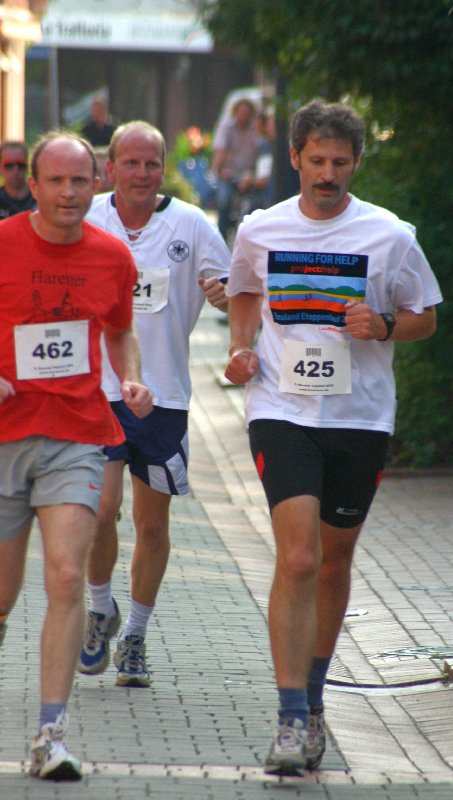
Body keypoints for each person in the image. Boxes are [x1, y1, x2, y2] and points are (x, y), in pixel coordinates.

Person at [224, 100, 443, 777]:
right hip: (281, 409)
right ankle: (290, 716)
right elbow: (242, 291)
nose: (326, 174)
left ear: (355, 164)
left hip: (359, 417)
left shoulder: (390, 235)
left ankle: (314, 700)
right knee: (297, 558)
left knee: (332, 562)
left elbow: (425, 316)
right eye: (316, 160)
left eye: (339, 162)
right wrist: (239, 348)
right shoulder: (261, 228)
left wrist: (383, 326)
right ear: (294, 157)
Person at [0, 131, 153, 781]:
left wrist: (132, 377)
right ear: (33, 186)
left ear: (98, 184)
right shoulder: (3, 243)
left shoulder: (112, 257)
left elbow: (120, 331)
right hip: (4, 436)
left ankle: (50, 737)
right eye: (56, 181)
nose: (69, 192)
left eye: (80, 181)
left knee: (66, 577)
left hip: (77, 434)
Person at [77, 121, 230, 688]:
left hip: (163, 396)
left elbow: (236, 289)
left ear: (163, 168)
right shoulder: (88, 217)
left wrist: (223, 294)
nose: (141, 174)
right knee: (100, 510)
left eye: (151, 164)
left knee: (152, 523)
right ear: (109, 168)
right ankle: (100, 610)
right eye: (131, 163)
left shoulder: (190, 224)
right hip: (98, 391)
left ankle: (135, 636)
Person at [211, 97, 259, 241]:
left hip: (248, 175)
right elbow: (220, 149)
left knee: (255, 204)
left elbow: (259, 152)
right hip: (229, 173)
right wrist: (217, 170)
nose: (243, 117)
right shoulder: (227, 127)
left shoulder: (254, 129)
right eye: (241, 113)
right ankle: (222, 236)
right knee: (224, 200)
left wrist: (251, 176)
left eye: (247, 113)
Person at [0, 141, 36, 219]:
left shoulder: (40, 199)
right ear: (1, 168)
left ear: (27, 167)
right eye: (9, 166)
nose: (16, 170)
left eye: (21, 165)